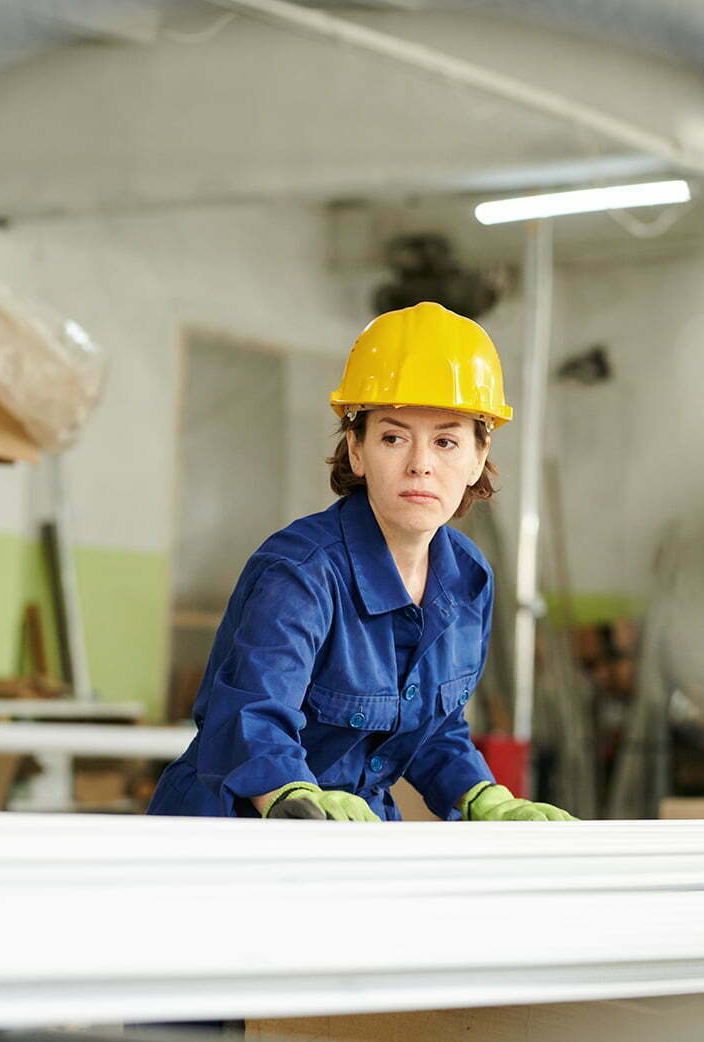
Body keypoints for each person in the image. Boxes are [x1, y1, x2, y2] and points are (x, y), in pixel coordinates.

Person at [149, 302, 576, 823]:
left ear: (477, 459)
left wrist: (483, 798)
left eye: (446, 441)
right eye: (394, 437)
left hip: (359, 829)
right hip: (239, 828)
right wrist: (291, 798)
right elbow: (248, 717)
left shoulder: (467, 578)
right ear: (356, 449)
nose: (421, 464)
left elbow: (434, 728)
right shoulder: (302, 571)